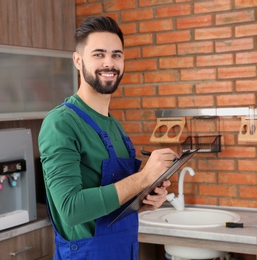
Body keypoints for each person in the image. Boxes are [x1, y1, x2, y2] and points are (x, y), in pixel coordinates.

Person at [38, 15, 178, 260]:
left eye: (116, 55)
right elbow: (71, 209)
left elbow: (111, 200)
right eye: (99, 54)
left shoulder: (115, 126)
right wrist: (144, 176)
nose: (109, 63)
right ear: (78, 61)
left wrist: (141, 201)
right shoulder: (61, 123)